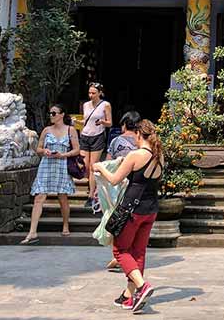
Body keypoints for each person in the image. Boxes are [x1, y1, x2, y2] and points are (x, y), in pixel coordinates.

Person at [94, 118, 164, 314]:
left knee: (120, 251)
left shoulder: (135, 155)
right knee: (138, 253)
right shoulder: (159, 155)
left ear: (139, 135)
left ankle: (142, 286)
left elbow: (115, 180)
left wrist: (100, 168)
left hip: (132, 210)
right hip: (151, 209)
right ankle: (128, 296)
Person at [21, 105, 80, 244]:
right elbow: (38, 148)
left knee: (62, 196)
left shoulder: (70, 130)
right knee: (39, 196)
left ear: (61, 114)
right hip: (46, 165)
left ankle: (65, 224)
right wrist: (44, 151)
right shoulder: (46, 130)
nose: (51, 115)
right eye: (50, 113)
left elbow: (77, 149)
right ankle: (32, 231)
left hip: (62, 165)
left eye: (54, 113)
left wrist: (63, 154)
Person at [103, 111, 142, 272]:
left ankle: (118, 255)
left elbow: (108, 163)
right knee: (130, 222)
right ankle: (127, 255)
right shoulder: (141, 143)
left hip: (117, 185)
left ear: (124, 124)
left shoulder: (116, 141)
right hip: (136, 187)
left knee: (116, 219)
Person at [80, 83, 112, 207]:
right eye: (89, 93)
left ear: (100, 93)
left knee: (93, 166)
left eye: (93, 93)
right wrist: (76, 121)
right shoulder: (85, 105)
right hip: (85, 135)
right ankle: (92, 186)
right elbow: (86, 120)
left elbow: (110, 123)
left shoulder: (105, 105)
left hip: (98, 136)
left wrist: (103, 121)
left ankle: (91, 195)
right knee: (85, 166)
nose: (91, 95)